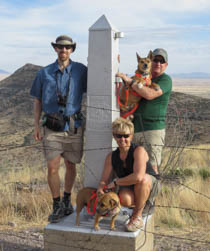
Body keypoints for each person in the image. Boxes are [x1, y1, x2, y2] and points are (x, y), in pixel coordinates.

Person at [30, 35, 87, 223]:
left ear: (72, 50)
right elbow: (37, 100)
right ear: (55, 49)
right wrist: (36, 125)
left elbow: (99, 78)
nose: (64, 51)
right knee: (52, 167)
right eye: (60, 48)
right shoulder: (44, 73)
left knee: (71, 165)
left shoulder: (80, 70)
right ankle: (56, 205)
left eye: (67, 48)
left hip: (73, 127)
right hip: (52, 127)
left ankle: (66, 201)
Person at [97, 118, 160, 232]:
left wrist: (116, 182)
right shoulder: (111, 157)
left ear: (131, 136)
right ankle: (144, 205)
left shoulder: (138, 150)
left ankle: (137, 216)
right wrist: (101, 187)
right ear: (114, 136)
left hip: (149, 184)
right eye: (118, 136)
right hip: (130, 186)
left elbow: (138, 177)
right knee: (124, 199)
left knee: (143, 179)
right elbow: (104, 179)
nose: (122, 139)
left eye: (126, 136)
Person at [116, 48, 172, 174]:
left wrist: (131, 82)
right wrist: (116, 64)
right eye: (155, 60)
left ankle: (151, 193)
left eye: (161, 61)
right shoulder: (143, 77)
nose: (157, 63)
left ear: (166, 65)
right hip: (135, 128)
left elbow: (150, 94)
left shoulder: (165, 80)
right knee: (134, 167)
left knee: (152, 168)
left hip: (152, 130)